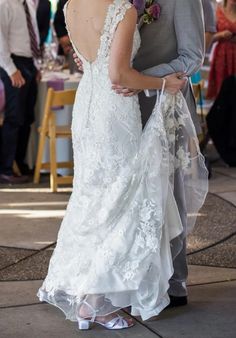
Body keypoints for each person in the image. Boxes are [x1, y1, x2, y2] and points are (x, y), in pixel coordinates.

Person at [38, 0, 208, 331]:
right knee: (118, 199)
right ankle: (118, 286)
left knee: (164, 194)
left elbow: (192, 56)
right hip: (118, 102)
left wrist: (141, 77)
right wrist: (97, 59)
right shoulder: (118, 4)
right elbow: (108, 42)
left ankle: (172, 283)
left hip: (160, 101)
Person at [0, 0, 40, 183]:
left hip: (29, 63)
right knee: (14, 117)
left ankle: (20, 164)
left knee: (27, 117)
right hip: (13, 63)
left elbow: (33, 36)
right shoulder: (4, 4)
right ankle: (5, 169)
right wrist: (10, 69)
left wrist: (36, 66)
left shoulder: (27, 4)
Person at [207, 0, 236, 99]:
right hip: (221, 54)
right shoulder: (216, 10)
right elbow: (209, 36)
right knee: (221, 86)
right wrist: (221, 34)